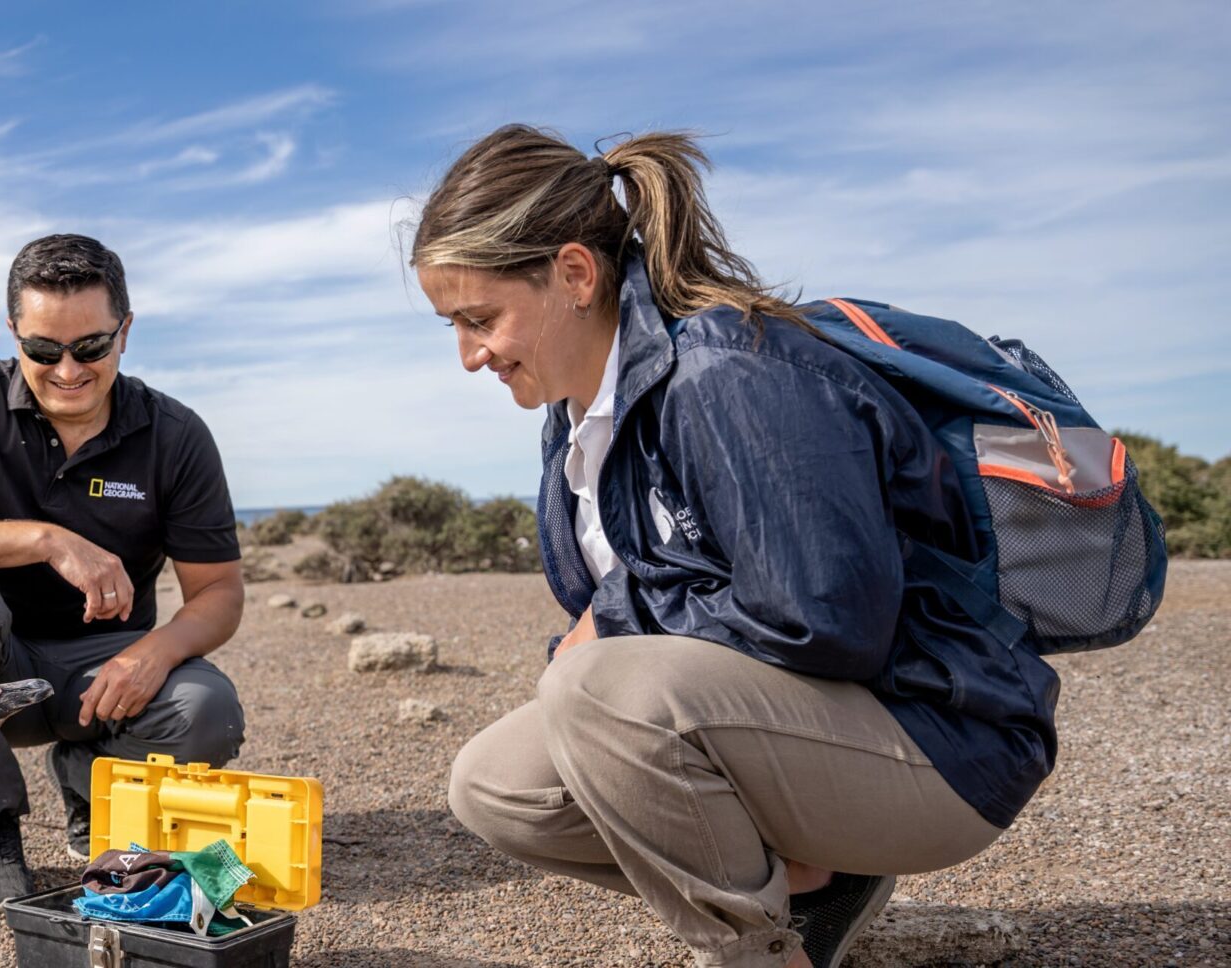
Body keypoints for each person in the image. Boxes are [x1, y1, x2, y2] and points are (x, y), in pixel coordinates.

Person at [416, 127, 1057, 968]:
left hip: (942, 742)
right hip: (815, 732)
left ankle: (754, 953)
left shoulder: (729, 372)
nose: (469, 356)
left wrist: (615, 621)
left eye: (479, 319)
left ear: (574, 274)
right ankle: (816, 886)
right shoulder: (573, 417)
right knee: (496, 787)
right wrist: (608, 632)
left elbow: (829, 618)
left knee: (595, 689)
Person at [0, 233, 248, 911]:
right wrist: (47, 539)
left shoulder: (175, 434)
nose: (68, 369)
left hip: (101, 672)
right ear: (13, 332)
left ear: (125, 332)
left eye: (91, 347)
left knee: (207, 710)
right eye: (43, 350)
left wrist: (155, 653)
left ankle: (92, 783)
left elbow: (218, 592)